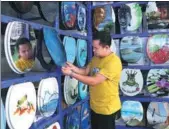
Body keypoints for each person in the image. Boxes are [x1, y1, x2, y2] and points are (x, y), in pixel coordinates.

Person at [62, 31, 122, 129]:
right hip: (95, 107)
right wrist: (73, 68)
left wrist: (71, 74)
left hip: (107, 110)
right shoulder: (95, 58)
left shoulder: (113, 62)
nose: (93, 50)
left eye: (96, 48)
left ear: (106, 47)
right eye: (93, 47)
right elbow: (85, 71)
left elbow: (94, 81)